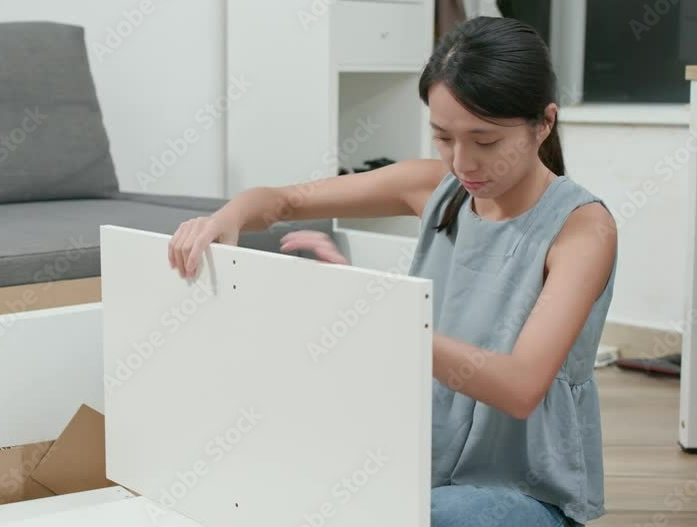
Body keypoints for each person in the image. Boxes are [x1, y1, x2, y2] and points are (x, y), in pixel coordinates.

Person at [167, 16, 616, 527]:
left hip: (523, 490)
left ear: (544, 123)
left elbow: (520, 387)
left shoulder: (582, 229)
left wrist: (376, 308)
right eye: (443, 137)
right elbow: (284, 201)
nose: (463, 163)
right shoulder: (436, 188)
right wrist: (225, 219)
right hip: (416, 463)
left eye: (485, 141)